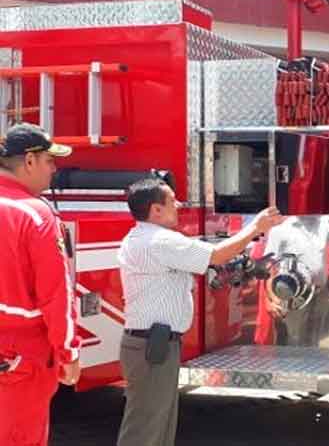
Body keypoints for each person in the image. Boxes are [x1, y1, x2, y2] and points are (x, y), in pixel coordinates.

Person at [116, 177, 283, 446]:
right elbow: (216, 255)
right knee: (144, 430)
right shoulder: (159, 241)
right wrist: (256, 227)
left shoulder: (148, 239)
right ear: (155, 210)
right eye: (171, 200)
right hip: (152, 347)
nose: (179, 204)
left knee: (158, 426)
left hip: (154, 345)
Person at [0, 123, 80, 446]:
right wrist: (69, 351)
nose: (54, 169)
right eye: (50, 160)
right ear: (29, 161)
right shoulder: (36, 215)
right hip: (21, 357)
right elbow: (56, 294)